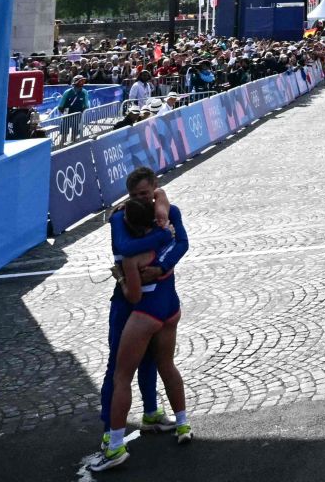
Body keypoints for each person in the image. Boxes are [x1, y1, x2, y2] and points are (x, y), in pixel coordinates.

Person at [87, 195, 190, 472]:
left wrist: (120, 277)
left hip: (145, 314)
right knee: (166, 365)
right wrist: (160, 200)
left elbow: (132, 296)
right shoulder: (167, 233)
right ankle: (183, 424)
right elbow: (181, 241)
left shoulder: (132, 254)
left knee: (120, 376)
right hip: (170, 309)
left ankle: (115, 445)